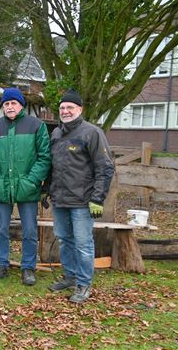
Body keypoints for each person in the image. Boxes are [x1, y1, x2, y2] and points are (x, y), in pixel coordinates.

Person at [46, 89, 114, 303]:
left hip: (82, 201)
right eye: (62, 108)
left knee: (83, 244)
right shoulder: (56, 134)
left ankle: (84, 284)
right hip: (60, 199)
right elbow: (53, 166)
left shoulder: (92, 133)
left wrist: (97, 198)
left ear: (80, 109)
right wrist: (47, 190)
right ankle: (70, 276)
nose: (65, 111)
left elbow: (105, 167)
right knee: (65, 240)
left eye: (70, 107)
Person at [0, 88, 51, 286]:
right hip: (1, 187)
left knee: (29, 230)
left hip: (27, 187)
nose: (10, 106)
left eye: (13, 103)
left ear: (22, 105)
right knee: (1, 229)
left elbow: (44, 157)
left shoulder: (36, 125)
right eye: (6, 104)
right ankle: (1, 265)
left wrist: (32, 181)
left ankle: (28, 268)